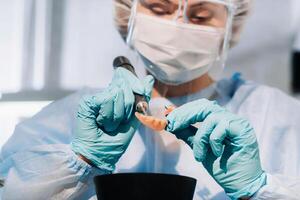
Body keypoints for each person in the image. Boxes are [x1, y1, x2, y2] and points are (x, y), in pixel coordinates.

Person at [1, 0, 300, 199]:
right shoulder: (73, 116)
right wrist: (79, 162)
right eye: (159, 8)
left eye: (200, 15)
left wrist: (258, 189)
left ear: (230, 26)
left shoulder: (278, 118)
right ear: (128, 13)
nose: (178, 24)